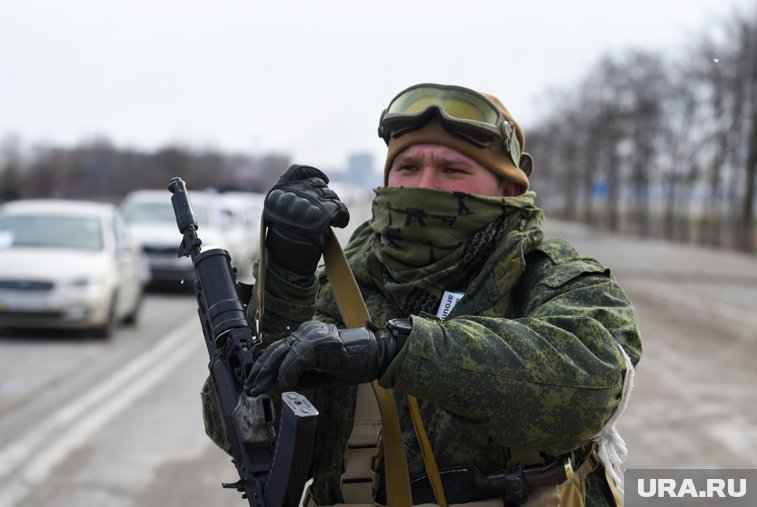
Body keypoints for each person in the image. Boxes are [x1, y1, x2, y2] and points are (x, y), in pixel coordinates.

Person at [202, 83, 642, 506]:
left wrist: (393, 352)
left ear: (508, 189)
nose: (424, 185)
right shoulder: (339, 284)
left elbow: (592, 380)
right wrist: (284, 287)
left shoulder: (547, 276)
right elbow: (246, 434)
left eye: (452, 169)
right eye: (408, 167)